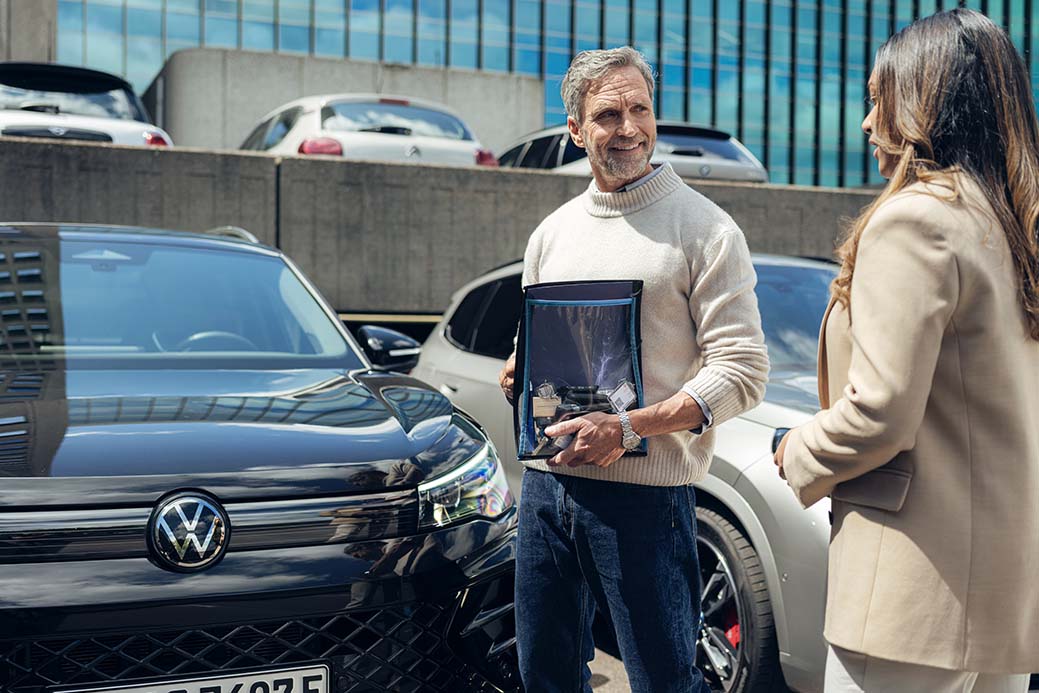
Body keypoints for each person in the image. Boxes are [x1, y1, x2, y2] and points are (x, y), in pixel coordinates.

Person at [774, 9, 1039, 692]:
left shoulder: (916, 218)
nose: (866, 123)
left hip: (910, 584)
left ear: (927, 99)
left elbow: (881, 411)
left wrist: (796, 449)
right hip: (1002, 591)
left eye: (877, 97)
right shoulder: (1010, 227)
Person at [498, 46, 769, 692]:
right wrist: (519, 367)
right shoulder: (551, 233)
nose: (627, 128)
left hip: (643, 498)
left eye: (639, 109)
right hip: (545, 488)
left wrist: (625, 428)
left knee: (662, 679)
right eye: (607, 114)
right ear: (574, 129)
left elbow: (742, 368)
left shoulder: (705, 229)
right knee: (545, 675)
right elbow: (529, 341)